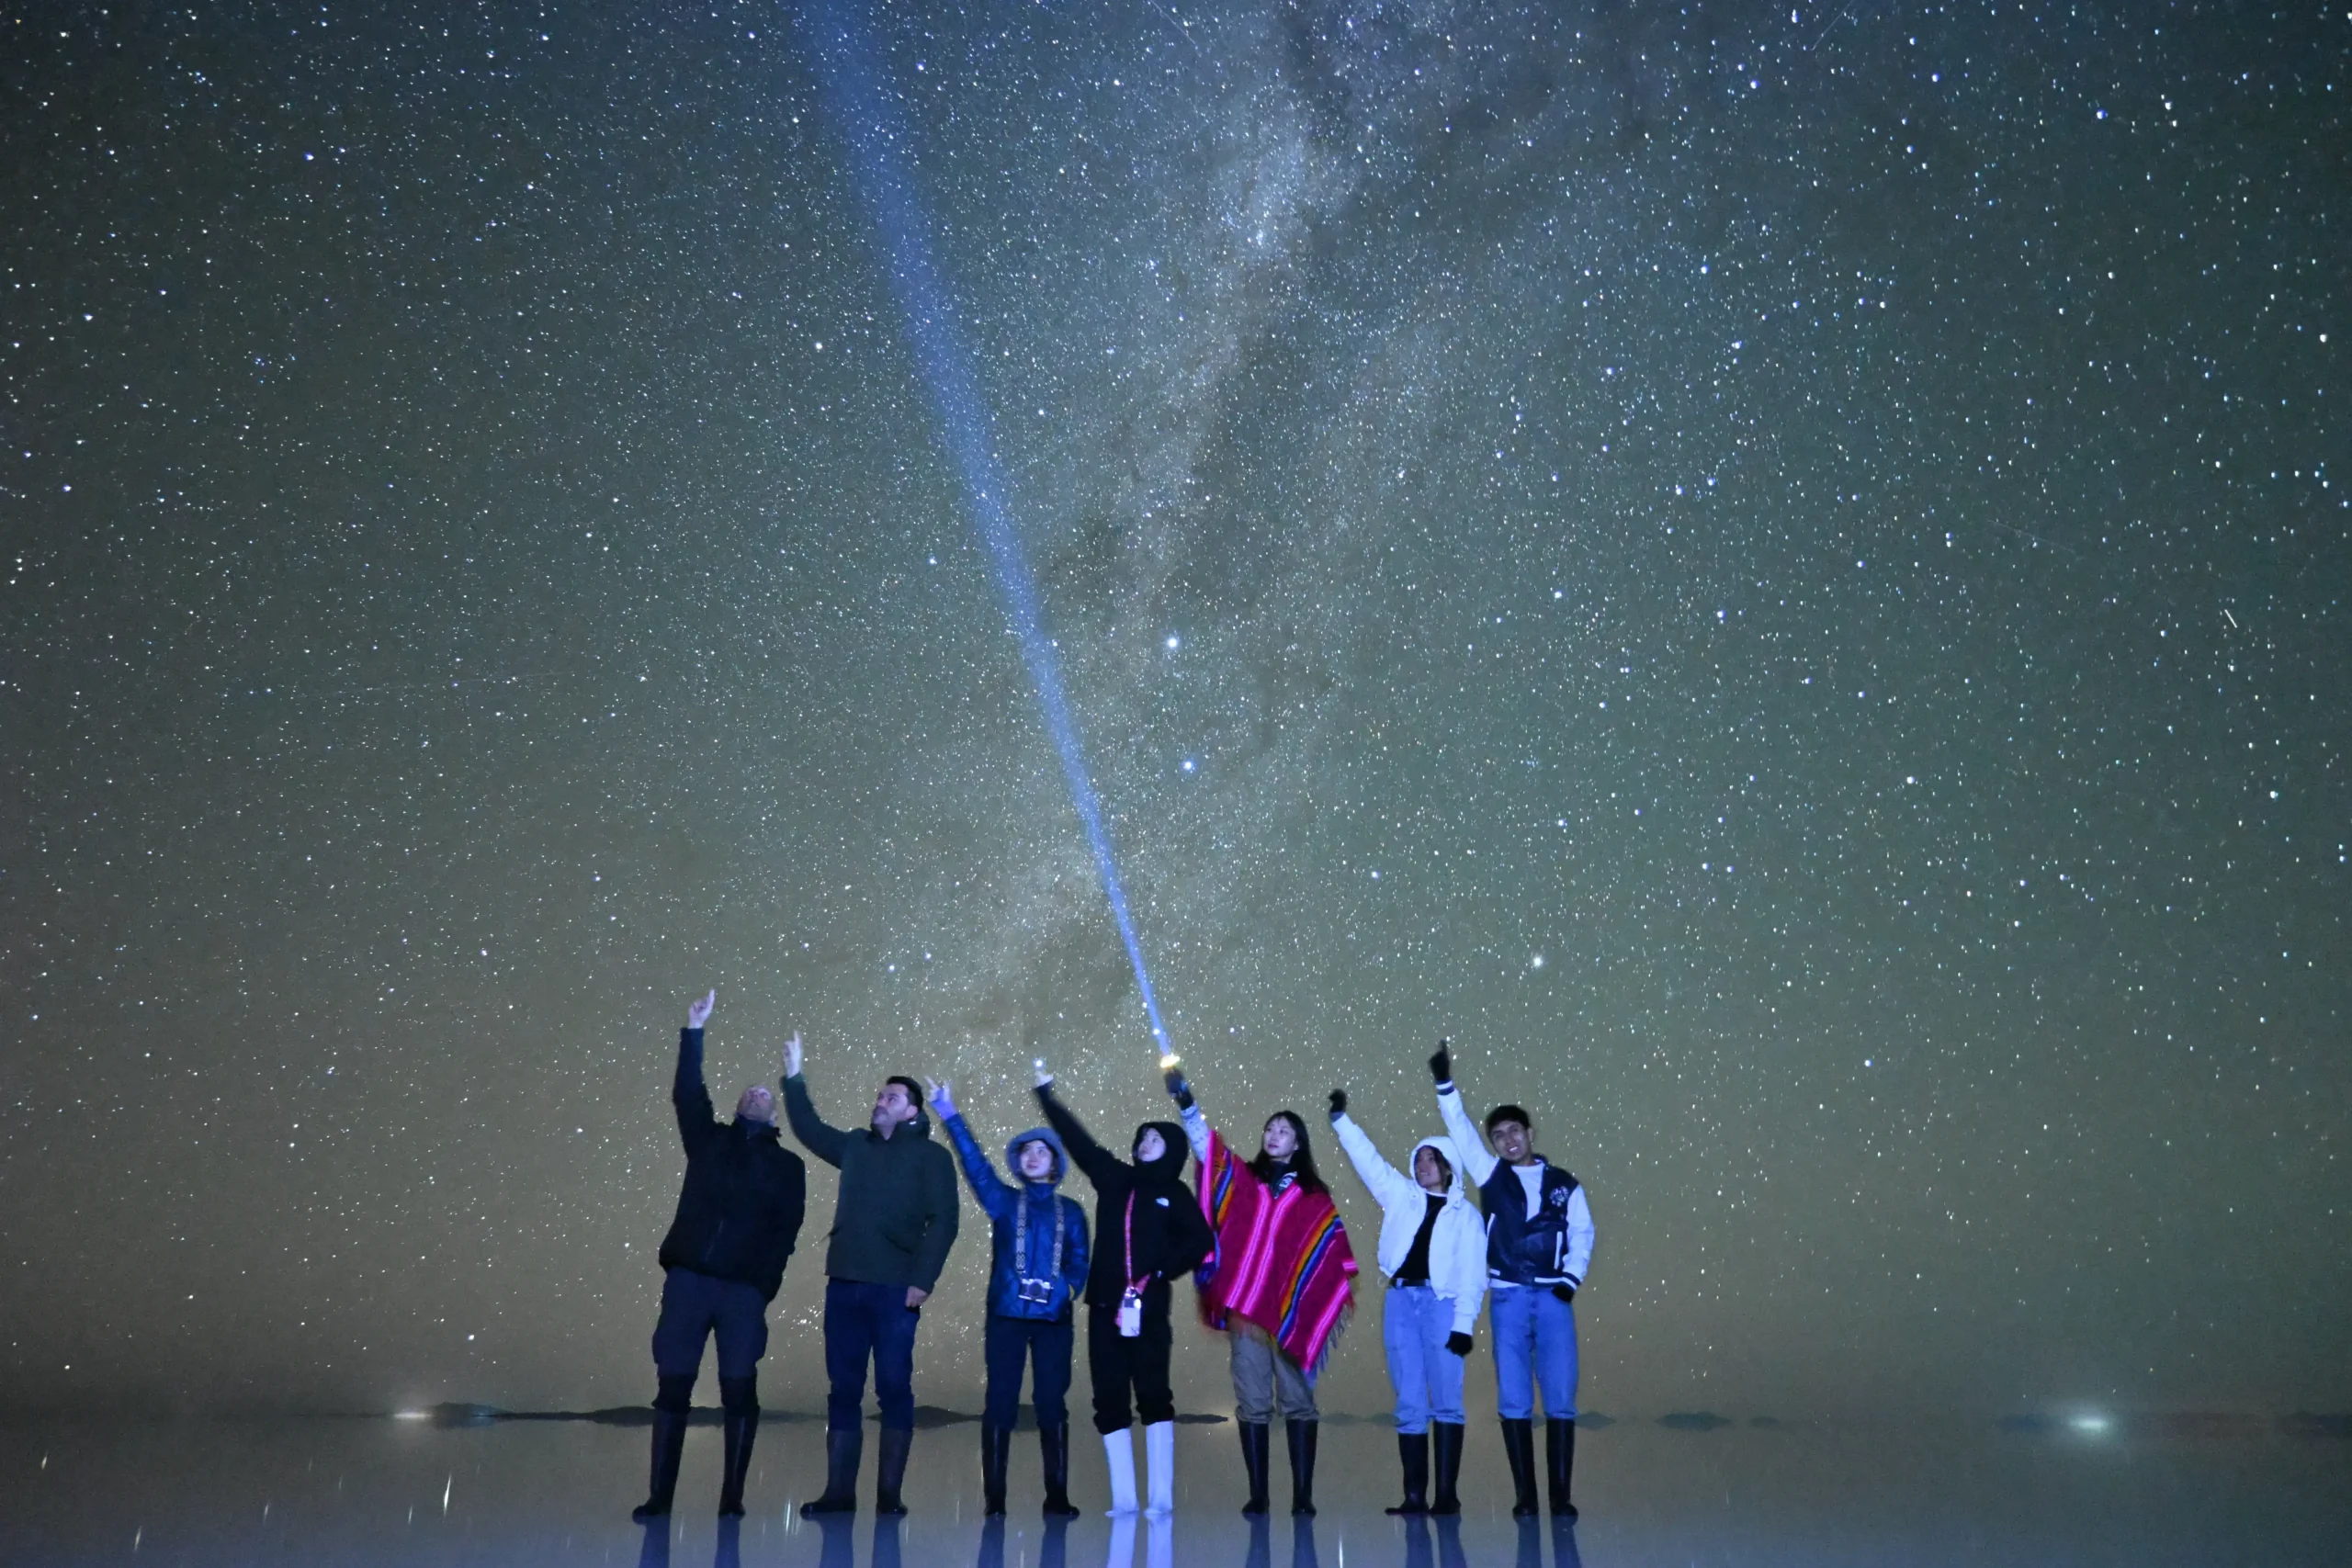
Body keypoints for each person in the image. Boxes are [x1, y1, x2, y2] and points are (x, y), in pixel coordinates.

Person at [632, 989, 808, 1520]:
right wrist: (694, 1031)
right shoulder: (708, 1140)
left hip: (742, 1292)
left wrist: (762, 1286)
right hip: (689, 1280)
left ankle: (732, 1496)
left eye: (764, 1093)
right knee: (673, 1385)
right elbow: (687, 1092)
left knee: (739, 1389)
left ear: (774, 1112)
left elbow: (786, 1232)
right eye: (749, 1092)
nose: (756, 1094)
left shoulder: (788, 1167)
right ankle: (660, 1497)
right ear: (737, 1107)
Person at [1163, 1064, 1358, 1517]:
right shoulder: (1244, 1182)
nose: (1274, 1134)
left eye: (1284, 1130)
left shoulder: (1313, 1196)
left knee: (1298, 1401)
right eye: (1270, 1128)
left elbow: (1329, 1252)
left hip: (1293, 1313)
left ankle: (1302, 1496)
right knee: (1251, 1400)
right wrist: (1186, 1102)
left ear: (1298, 1143)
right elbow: (1207, 1150)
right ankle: (1259, 1495)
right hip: (1248, 1311)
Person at [784, 1034, 961, 1517]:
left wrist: (923, 1279)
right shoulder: (855, 1147)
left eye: (892, 1097)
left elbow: (944, 1221)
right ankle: (839, 1493)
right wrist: (794, 1076)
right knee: (843, 1388)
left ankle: (888, 1495)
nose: (881, 1101)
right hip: (844, 1283)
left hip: (895, 1288)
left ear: (912, 1111)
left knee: (893, 1387)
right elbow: (809, 1128)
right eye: (880, 1095)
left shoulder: (932, 1158)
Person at [1032, 1059, 1214, 1516]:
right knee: (1109, 1398)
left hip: (1148, 1311)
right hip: (1104, 1308)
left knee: (1153, 1394)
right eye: (1142, 1137)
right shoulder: (1115, 1178)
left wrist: (1160, 1273)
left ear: (1171, 1149)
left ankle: (1161, 1499)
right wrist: (1047, 1097)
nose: (1144, 1142)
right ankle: (1125, 1499)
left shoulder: (1175, 1193)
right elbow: (1079, 1143)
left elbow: (1200, 1242)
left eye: (1154, 1138)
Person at [1430, 1040, 1595, 1518]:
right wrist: (1444, 1085)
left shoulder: (1564, 1184)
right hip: (1507, 1297)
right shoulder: (1490, 1175)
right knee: (1515, 1398)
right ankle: (1526, 1496)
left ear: (1529, 1132)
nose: (1507, 1140)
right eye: (1498, 1135)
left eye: (1514, 1131)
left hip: (1554, 1296)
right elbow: (1460, 1132)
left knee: (1560, 1395)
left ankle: (1560, 1497)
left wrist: (1570, 1278)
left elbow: (1582, 1233)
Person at [927, 1077, 1091, 1517]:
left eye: (1042, 1151)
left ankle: (1057, 1496)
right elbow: (976, 1166)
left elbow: (1080, 1261)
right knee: (1000, 1401)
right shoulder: (1002, 1201)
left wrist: (1065, 1289)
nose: (1033, 1156)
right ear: (1018, 1162)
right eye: (1026, 1151)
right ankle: (994, 1499)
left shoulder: (1072, 1211)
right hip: (1006, 1316)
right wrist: (949, 1113)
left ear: (1054, 1162)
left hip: (1054, 1321)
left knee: (1051, 1403)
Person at [1327, 1086, 1486, 1515]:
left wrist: (1463, 1326)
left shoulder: (1467, 1217)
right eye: (1418, 1159)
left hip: (1442, 1305)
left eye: (1431, 1158)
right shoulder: (1400, 1196)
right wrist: (1342, 1121)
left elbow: (1473, 1278)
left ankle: (1446, 1497)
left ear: (1448, 1166)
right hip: (1400, 1302)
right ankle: (1414, 1496)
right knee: (1409, 1399)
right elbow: (1369, 1162)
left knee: (1447, 1400)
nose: (1422, 1165)